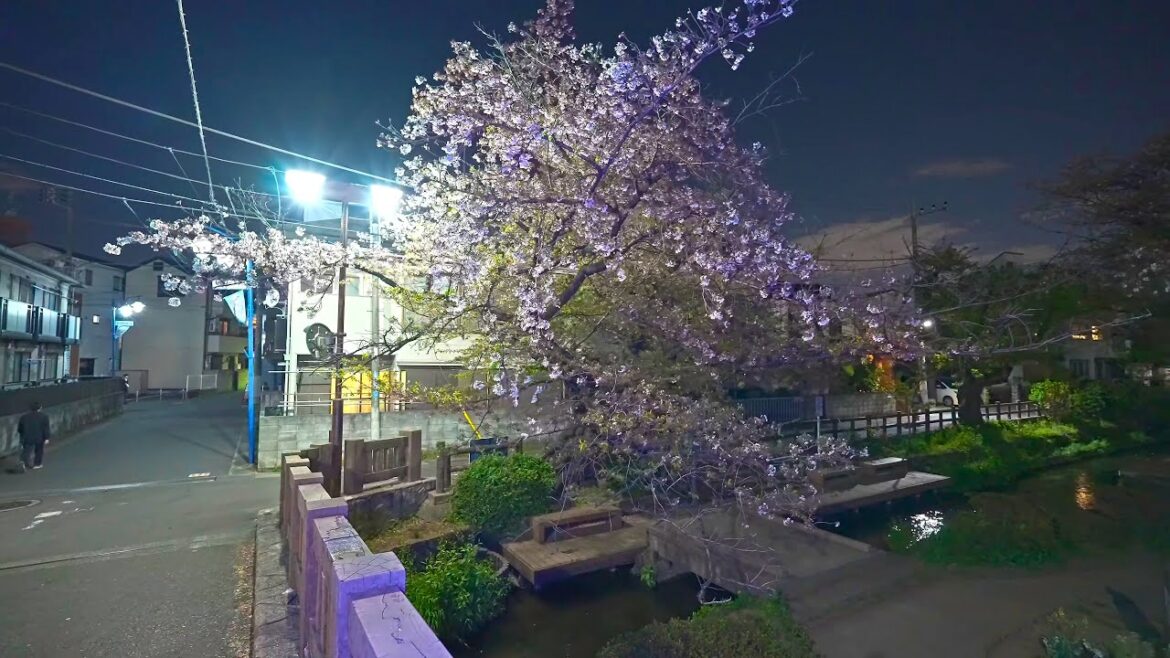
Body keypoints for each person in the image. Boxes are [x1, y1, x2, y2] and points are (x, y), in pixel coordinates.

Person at [17, 401, 50, 472]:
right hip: (39, 437)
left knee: (26, 450)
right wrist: (46, 438)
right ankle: (37, 464)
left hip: (27, 436)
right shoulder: (44, 416)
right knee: (39, 450)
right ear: (40, 408)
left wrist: (22, 436)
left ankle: (23, 462)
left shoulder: (24, 417)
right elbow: (46, 428)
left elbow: (20, 429)